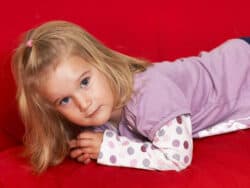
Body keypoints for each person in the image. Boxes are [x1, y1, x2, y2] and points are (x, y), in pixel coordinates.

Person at [12, 20, 250, 174]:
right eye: (64, 100)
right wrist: (91, 144)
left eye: (85, 82)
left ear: (102, 63)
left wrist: (109, 148)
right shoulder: (103, 111)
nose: (84, 104)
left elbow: (177, 156)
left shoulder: (149, 95)